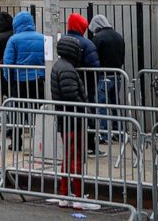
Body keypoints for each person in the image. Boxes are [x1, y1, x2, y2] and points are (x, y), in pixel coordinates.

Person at [50, 35, 98, 211]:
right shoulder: (68, 70)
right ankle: (77, 197)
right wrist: (85, 109)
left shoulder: (60, 66)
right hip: (73, 120)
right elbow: (72, 96)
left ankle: (64, 194)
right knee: (76, 157)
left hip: (67, 119)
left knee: (69, 157)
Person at [2, 11, 46, 149]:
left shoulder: (14, 40)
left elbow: (8, 62)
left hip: (19, 82)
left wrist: (8, 79)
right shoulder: (42, 38)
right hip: (37, 81)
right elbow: (47, 60)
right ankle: (40, 143)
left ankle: (16, 142)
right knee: (37, 112)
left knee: (17, 114)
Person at [65, 13, 102, 155]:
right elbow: (94, 67)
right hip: (85, 86)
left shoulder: (63, 40)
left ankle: (72, 145)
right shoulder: (87, 44)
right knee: (88, 115)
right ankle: (90, 145)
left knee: (70, 115)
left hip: (68, 85)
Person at [89, 14, 125, 142]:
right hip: (117, 75)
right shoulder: (118, 36)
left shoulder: (97, 39)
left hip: (102, 76)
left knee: (102, 106)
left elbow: (93, 58)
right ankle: (119, 132)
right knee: (115, 105)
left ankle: (103, 134)